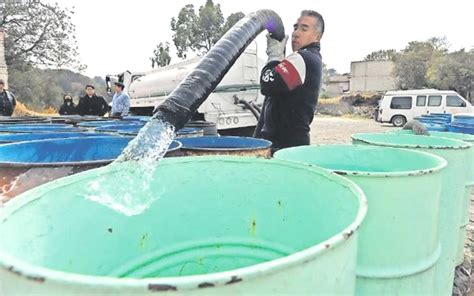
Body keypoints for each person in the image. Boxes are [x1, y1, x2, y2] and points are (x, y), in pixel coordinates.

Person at [254, 10, 324, 153]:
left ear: (317, 36)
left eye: (304, 29)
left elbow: (267, 84)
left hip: (285, 146)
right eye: (295, 27)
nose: (296, 33)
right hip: (290, 144)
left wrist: (274, 56)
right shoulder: (310, 58)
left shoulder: (303, 58)